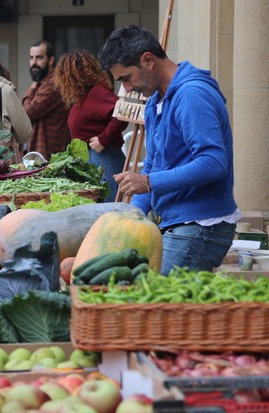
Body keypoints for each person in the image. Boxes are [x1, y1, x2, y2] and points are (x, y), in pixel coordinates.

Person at [100, 25, 239, 274]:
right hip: (179, 224)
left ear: (148, 60)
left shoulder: (191, 94)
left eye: (126, 78)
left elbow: (214, 162)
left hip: (200, 225)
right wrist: (131, 217)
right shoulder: (155, 102)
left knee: (156, 307)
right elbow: (152, 165)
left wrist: (149, 182)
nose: (127, 89)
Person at [53, 49, 129, 202]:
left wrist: (103, 139)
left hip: (104, 159)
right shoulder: (83, 97)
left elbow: (122, 113)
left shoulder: (97, 93)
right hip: (94, 162)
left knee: (109, 209)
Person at [22, 40, 71, 160]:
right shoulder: (43, 84)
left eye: (39, 58)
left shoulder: (54, 84)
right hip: (42, 155)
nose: (34, 63)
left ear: (50, 60)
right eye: (31, 58)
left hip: (49, 157)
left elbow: (27, 114)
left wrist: (31, 90)